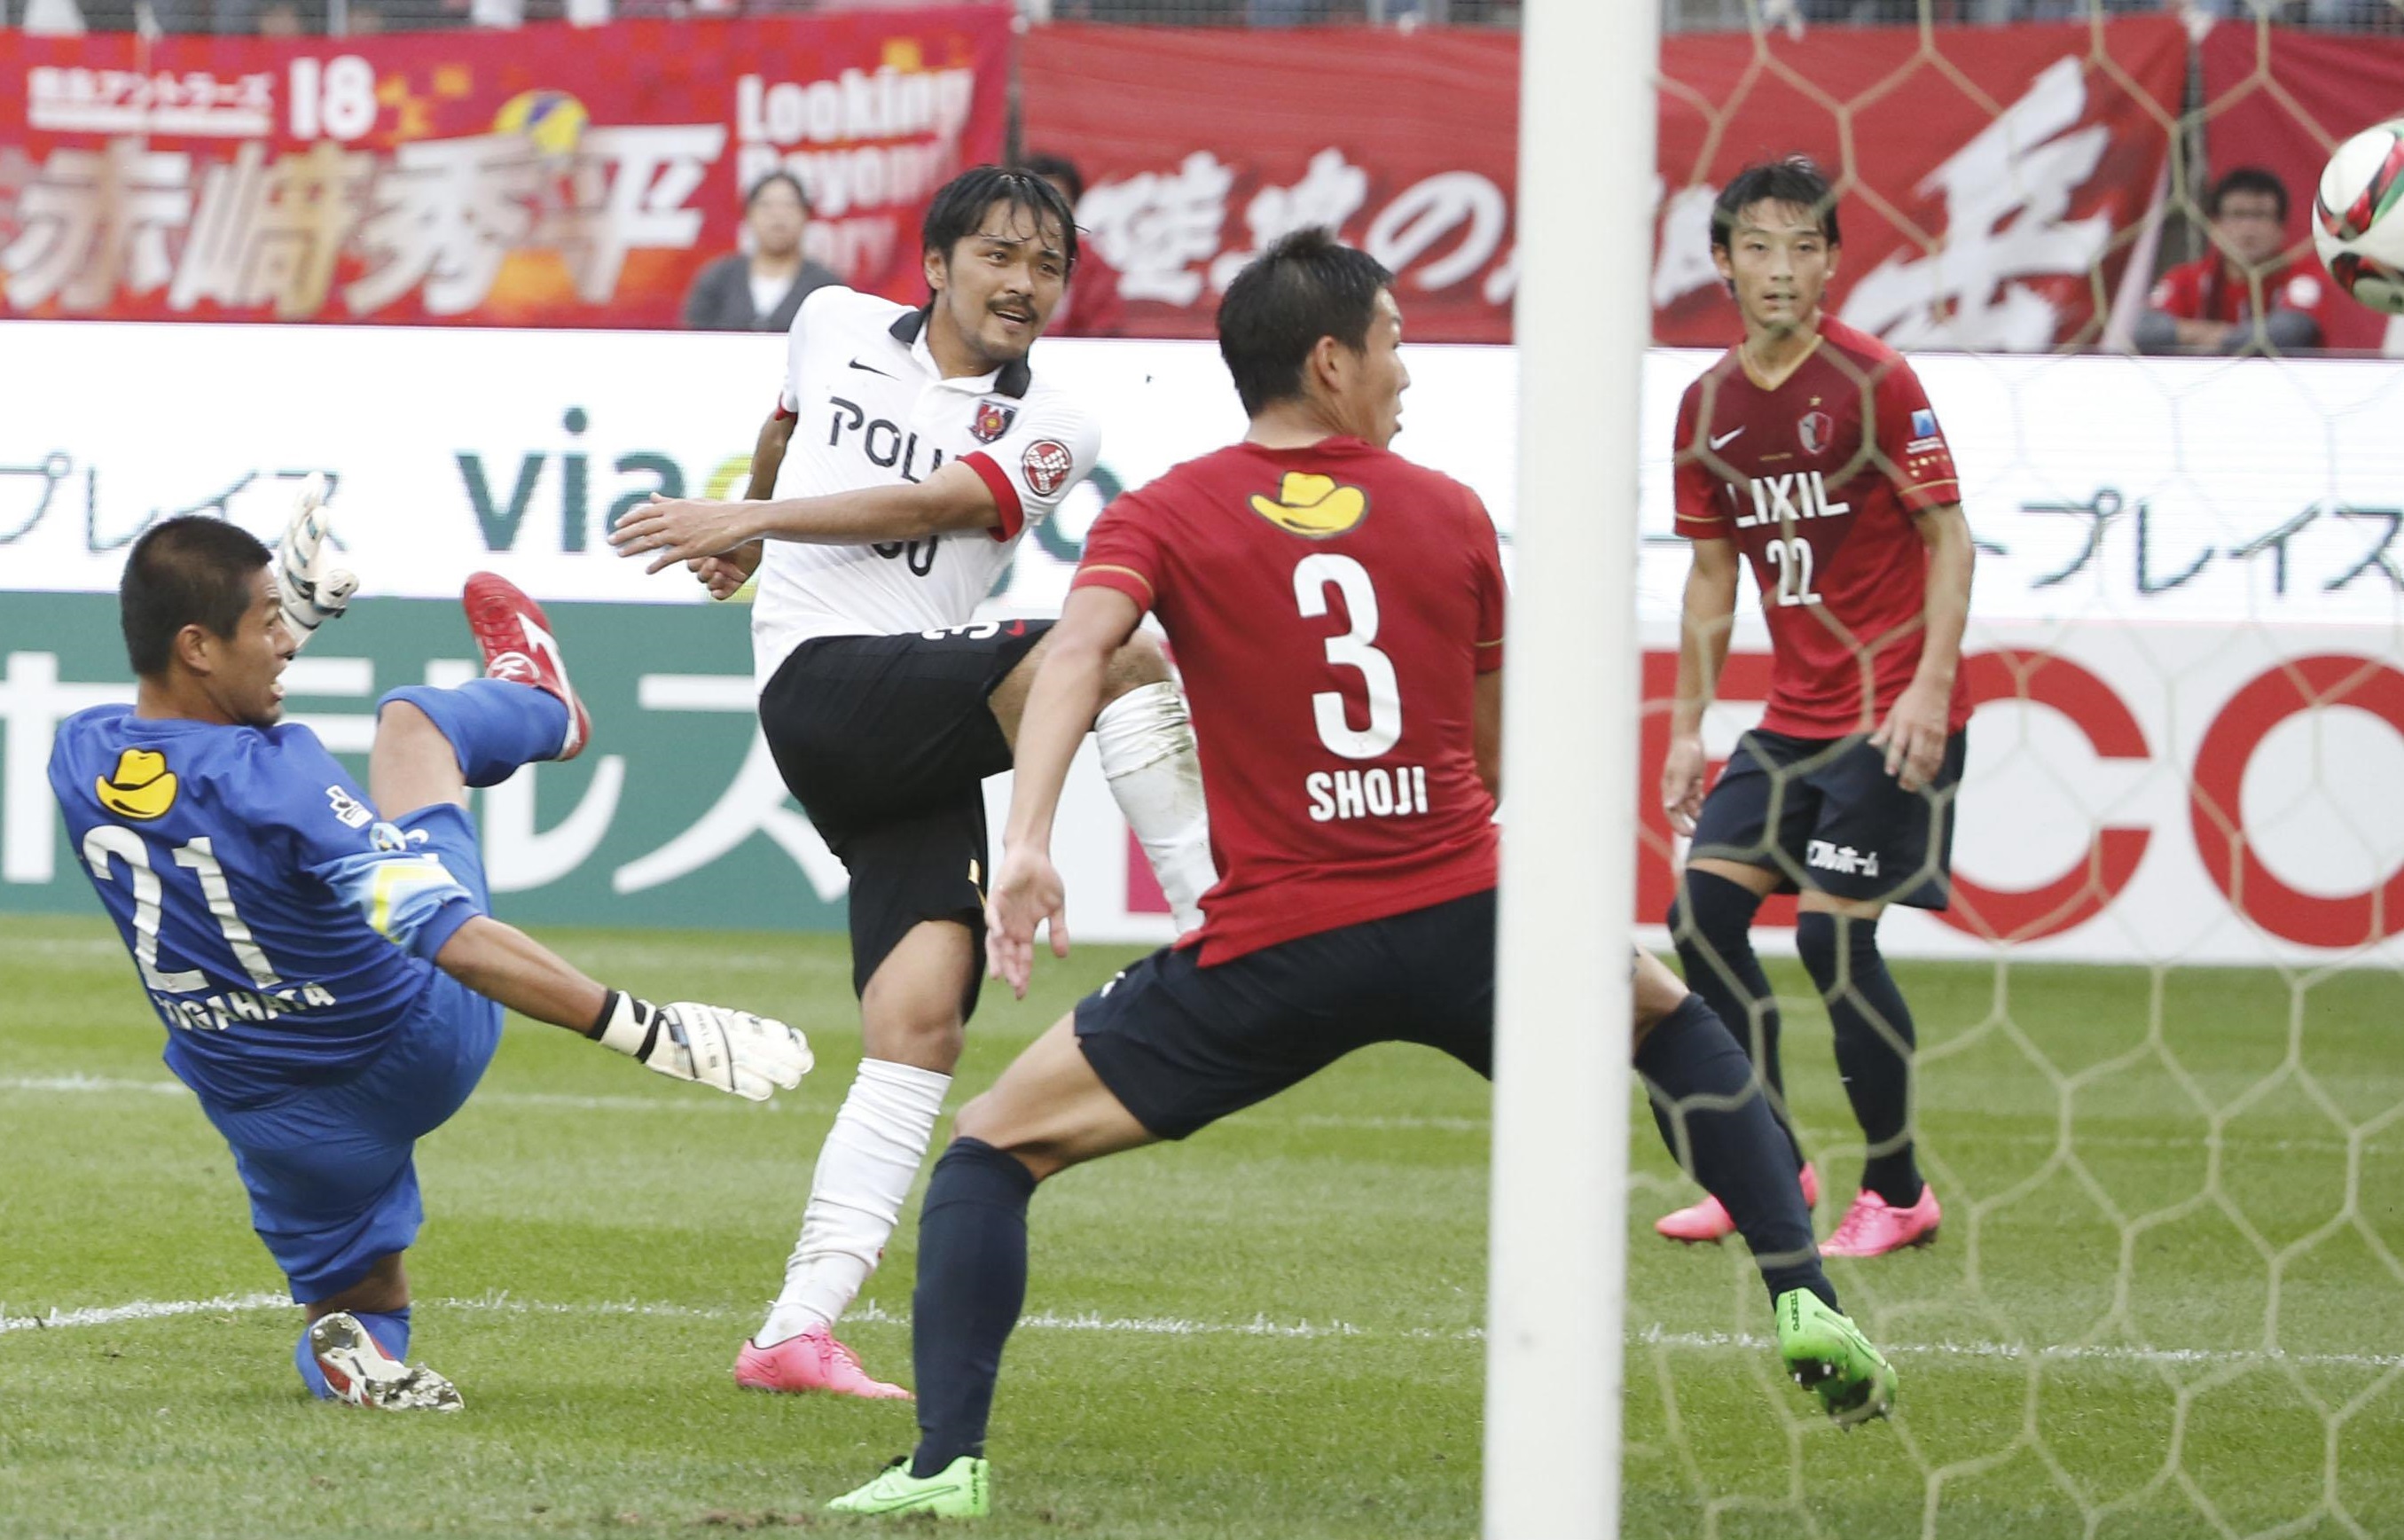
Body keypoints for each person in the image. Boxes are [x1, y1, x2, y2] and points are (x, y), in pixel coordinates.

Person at [821, 229, 1897, 1520]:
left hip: (1274, 947)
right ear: (1329, 362)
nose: (1405, 369)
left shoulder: (1160, 511)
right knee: (1673, 1028)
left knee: (992, 1150)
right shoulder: (1444, 511)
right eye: (1391, 341)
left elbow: (1071, 656)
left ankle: (944, 1467)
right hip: (1461, 909)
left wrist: (1036, 835)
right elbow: (1496, 760)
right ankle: (1801, 1295)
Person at [608, 166, 1216, 1400]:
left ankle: (797, 1324)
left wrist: (746, 523)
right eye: (1000, 256)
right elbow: (783, 420)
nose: (1025, 284)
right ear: (936, 264)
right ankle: (1218, 912)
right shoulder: (829, 319)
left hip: (912, 707)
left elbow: (945, 499)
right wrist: (749, 516)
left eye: (1048, 267)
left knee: (922, 1019)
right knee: (1114, 649)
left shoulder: (1057, 426)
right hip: (821, 682)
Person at [47, 489, 811, 1410]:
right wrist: (644, 1028)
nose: (285, 640)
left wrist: (281, 616)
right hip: (414, 1034)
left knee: (357, 1308)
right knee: (417, 724)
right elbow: (446, 935)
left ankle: (356, 1358)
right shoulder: (279, 775)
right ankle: (540, 699)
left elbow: (186, 739)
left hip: (267, 1109)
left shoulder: (77, 754)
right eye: (266, 623)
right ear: (198, 646)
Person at [1656, 157, 1975, 1260]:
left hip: (1890, 712)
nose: (1779, 269)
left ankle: (1896, 1191)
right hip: (1791, 719)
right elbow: (1710, 580)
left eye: (1801, 248)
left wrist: (1930, 688)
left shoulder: (1876, 380)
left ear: (1833, 260)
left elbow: (1950, 536)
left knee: (1837, 946)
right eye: (1756, 246)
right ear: (1721, 261)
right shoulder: (1704, 409)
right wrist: (1686, 725)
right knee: (1699, 922)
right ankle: (1768, 1169)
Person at [2135, 167, 2339, 356]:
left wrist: (2202, 338)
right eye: (2237, 215)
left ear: (2281, 228)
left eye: (2260, 215)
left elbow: (2289, 333)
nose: (2248, 229)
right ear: (2214, 226)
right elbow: (2142, 330)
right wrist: (2227, 337)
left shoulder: (2305, 273)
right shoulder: (2188, 277)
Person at [682, 171, 843, 334]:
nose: (778, 215)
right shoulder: (718, 279)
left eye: (789, 205)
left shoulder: (826, 287)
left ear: (806, 215)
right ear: (748, 214)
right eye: (766, 206)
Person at [1015, 153, 1125, 339]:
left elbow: (1105, 330)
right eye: (1035, 203)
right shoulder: (995, 255)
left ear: (1074, 208)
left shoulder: (1093, 265)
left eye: (1057, 203)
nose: (1044, 214)